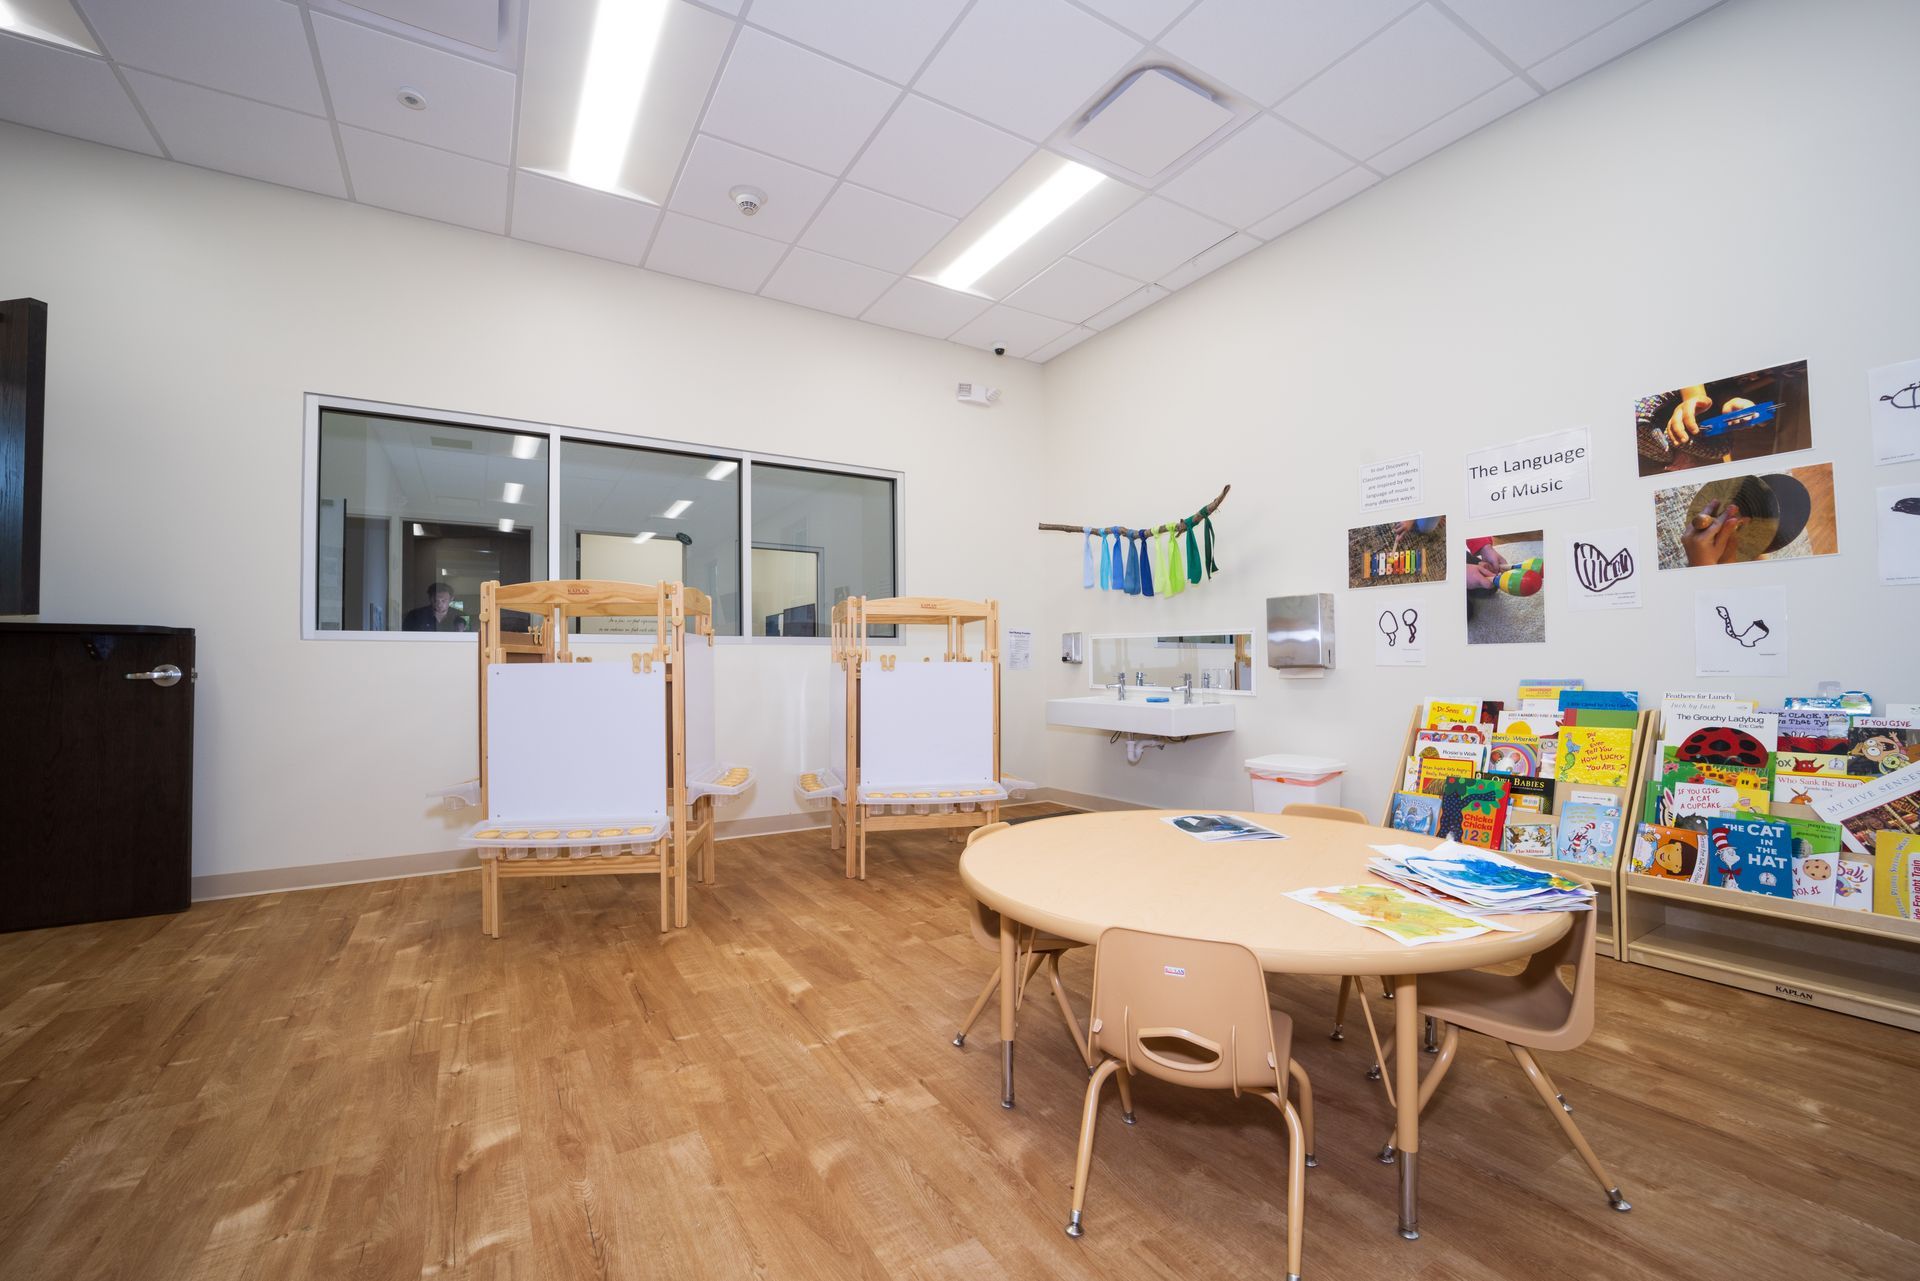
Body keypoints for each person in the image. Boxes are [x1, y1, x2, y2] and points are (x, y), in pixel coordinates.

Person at [402, 582, 467, 632]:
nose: (439, 604)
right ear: (430, 598)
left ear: (451, 599)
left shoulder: (462, 616)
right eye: (435, 600)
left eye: (443, 600)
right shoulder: (415, 616)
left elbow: (469, 638)